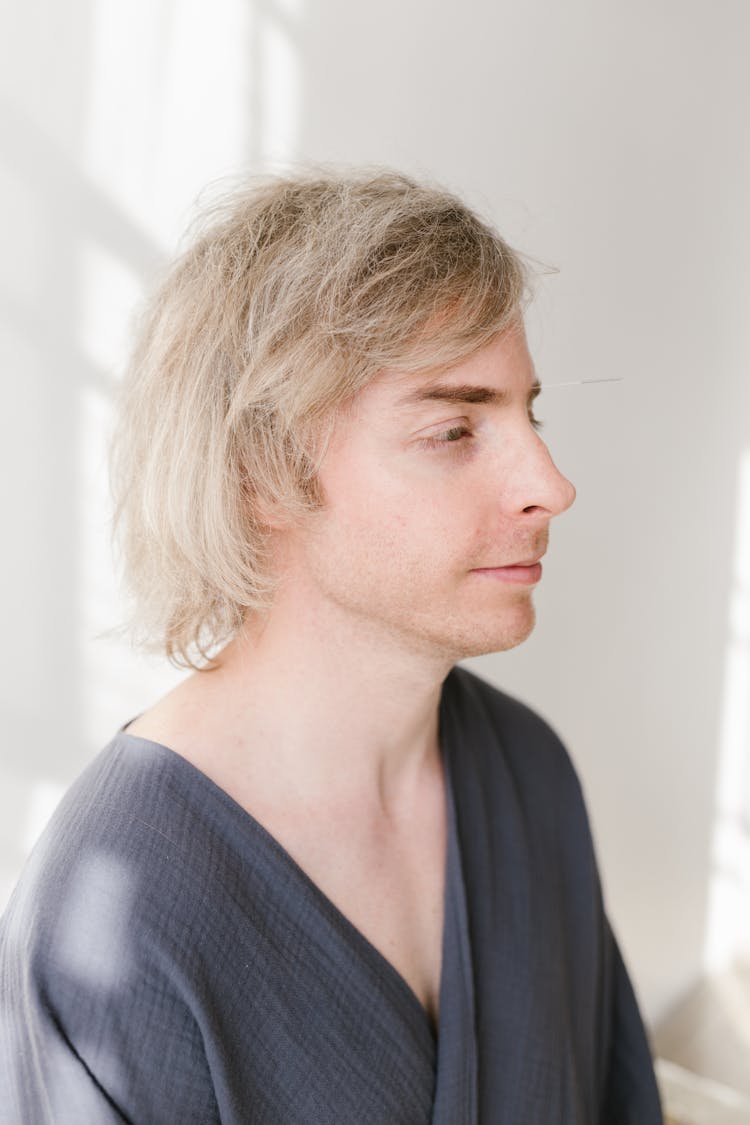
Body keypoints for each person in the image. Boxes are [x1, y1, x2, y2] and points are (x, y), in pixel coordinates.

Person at [0, 168, 664, 1124]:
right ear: (264, 473)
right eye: (454, 429)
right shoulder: (117, 914)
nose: (550, 483)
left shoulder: (529, 776)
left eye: (532, 414)